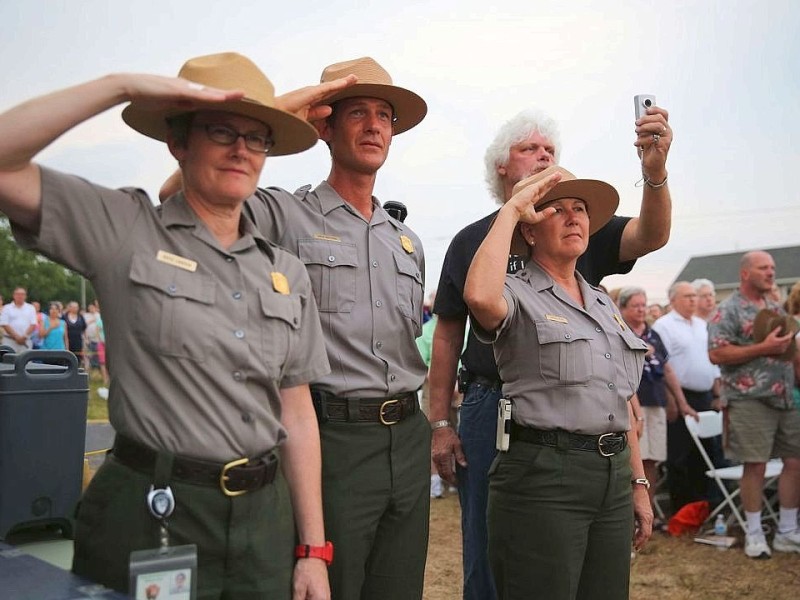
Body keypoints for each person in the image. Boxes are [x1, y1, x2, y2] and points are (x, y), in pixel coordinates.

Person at [0, 51, 359, 598]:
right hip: (152, 512)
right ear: (179, 142)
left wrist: (313, 549)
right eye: (221, 131)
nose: (241, 149)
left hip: (265, 521)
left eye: (257, 137)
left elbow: (297, 412)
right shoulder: (125, 229)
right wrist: (117, 83)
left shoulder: (284, 270)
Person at [162, 56, 430, 600]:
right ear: (324, 125)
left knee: (398, 587)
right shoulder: (287, 215)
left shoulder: (407, 241)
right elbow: (180, 199)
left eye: (385, 115)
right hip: (329, 439)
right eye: (358, 113)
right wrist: (282, 115)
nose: (376, 126)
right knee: (329, 585)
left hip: (407, 436)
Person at [429, 106, 672, 599]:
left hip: (583, 413)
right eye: (529, 149)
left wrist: (655, 173)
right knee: (489, 544)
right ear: (502, 166)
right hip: (491, 404)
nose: (544, 156)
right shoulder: (476, 241)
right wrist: (439, 422)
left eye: (551, 150)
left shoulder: (585, 243)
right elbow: (448, 334)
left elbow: (651, 235)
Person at [464, 165, 651, 599]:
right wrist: (511, 211)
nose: (574, 218)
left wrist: (637, 483)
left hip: (610, 473)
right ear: (530, 231)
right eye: (558, 210)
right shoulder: (514, 290)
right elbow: (479, 297)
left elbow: (618, 401)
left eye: (581, 210)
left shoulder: (602, 301)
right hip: (544, 475)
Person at [708, 250, 800, 559]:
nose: (772, 273)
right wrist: (762, 348)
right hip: (749, 399)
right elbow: (716, 354)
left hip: (785, 396)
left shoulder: (775, 307)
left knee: (795, 461)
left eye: (773, 268)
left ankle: (787, 531)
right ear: (745, 273)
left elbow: (790, 352)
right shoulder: (728, 310)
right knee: (756, 465)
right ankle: (755, 532)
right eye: (764, 268)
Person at [618, 286, 697, 525]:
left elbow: (667, 368)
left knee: (652, 459)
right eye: (636, 305)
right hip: (632, 405)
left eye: (644, 305)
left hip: (657, 401)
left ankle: (648, 514)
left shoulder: (653, 334)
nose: (642, 310)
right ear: (623, 308)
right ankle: (629, 516)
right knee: (634, 459)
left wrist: (680, 401)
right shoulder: (619, 330)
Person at [652, 281, 723, 512]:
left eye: (694, 296)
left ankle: (702, 507)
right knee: (680, 454)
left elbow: (710, 362)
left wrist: (717, 392)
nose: (693, 300)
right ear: (673, 300)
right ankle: (681, 508)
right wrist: (672, 399)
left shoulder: (702, 325)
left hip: (704, 396)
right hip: (679, 396)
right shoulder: (664, 325)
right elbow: (664, 365)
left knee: (703, 454)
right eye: (687, 296)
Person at [0, 287, 38, 352]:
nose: (20, 296)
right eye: (18, 294)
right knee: (8, 361)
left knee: (26, 361)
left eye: (22, 294)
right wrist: (16, 337)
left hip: (25, 341)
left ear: (25, 296)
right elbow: (5, 324)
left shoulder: (31, 308)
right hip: (9, 341)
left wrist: (24, 336)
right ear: (14, 295)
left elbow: (33, 324)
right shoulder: (7, 308)